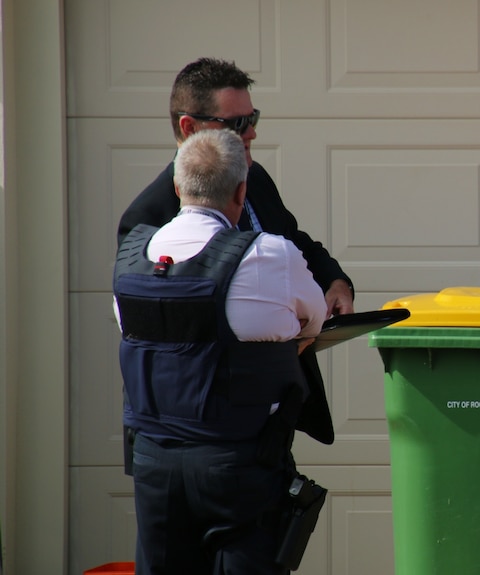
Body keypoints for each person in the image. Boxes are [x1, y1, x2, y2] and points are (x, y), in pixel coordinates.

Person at [113, 129, 328, 573]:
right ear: (241, 190)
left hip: (153, 464)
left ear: (177, 188)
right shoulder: (270, 254)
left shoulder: (133, 255)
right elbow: (314, 318)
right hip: (239, 465)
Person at [117, 57, 352, 451]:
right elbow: (162, 336)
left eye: (253, 116)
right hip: (192, 432)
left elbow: (294, 240)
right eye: (237, 123)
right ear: (189, 128)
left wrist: (334, 280)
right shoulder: (146, 221)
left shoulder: (253, 178)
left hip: (267, 419)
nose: (253, 132)